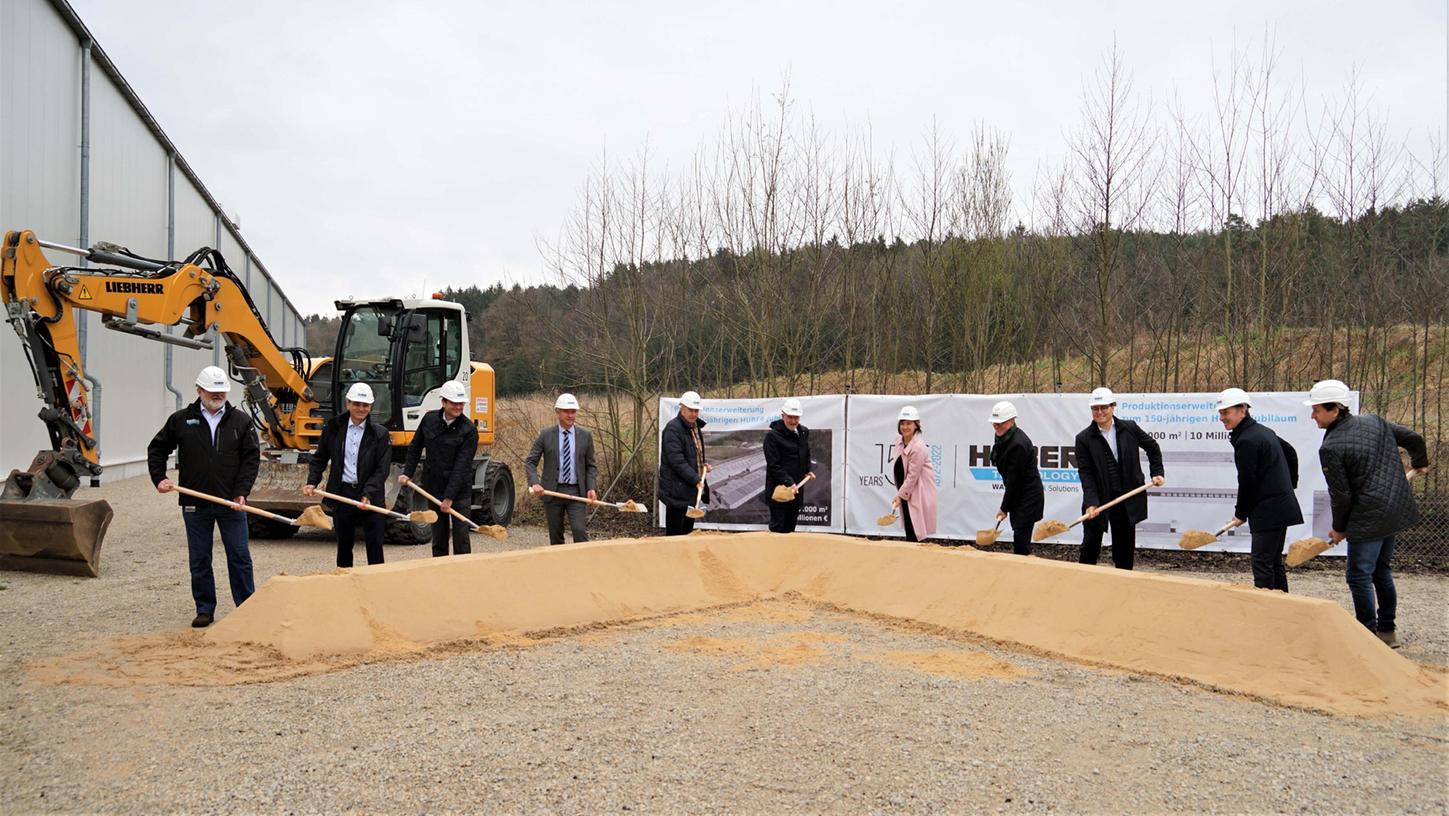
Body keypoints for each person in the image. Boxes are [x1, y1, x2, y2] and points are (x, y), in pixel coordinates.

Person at [1307, 379, 1430, 648]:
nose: (1312, 415)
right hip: (1394, 508)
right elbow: (1413, 438)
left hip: (1369, 515)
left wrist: (1338, 528)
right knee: (1381, 571)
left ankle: (1366, 637)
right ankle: (1387, 631)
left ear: (1335, 410)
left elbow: (1341, 496)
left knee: (1359, 575)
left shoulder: (1331, 448)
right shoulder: (1375, 421)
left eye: (1316, 410)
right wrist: (1420, 462)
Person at [147, 365, 259, 628]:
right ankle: (205, 609)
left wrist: (242, 493)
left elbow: (251, 459)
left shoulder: (241, 421)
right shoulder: (181, 420)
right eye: (212, 390)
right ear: (199, 390)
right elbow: (157, 448)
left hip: (231, 504)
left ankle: (248, 608)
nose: (218, 395)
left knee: (240, 556)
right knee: (199, 558)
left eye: (222, 391)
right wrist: (159, 478)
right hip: (194, 504)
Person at [1218, 388, 1302, 592]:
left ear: (1242, 410)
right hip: (1280, 506)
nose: (1222, 418)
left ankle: (1267, 612)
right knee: (1273, 562)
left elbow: (1247, 481)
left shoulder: (1247, 440)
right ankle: (1284, 608)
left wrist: (1241, 513)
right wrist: (1288, 486)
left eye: (1226, 412)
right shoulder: (1262, 431)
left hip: (1268, 510)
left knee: (1262, 563)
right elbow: (1290, 451)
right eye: (1220, 413)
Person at [1074, 387, 1165, 570]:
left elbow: (1152, 447)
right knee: (1090, 544)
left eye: (1104, 408)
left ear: (1113, 407)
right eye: (1095, 408)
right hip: (1099, 498)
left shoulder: (1129, 428)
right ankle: (1084, 580)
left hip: (1127, 497)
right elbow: (1086, 473)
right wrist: (1091, 502)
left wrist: (1157, 471)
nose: (1099, 412)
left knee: (1124, 547)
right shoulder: (1084, 438)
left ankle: (1124, 582)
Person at [304, 382, 391, 568]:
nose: (361, 409)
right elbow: (320, 458)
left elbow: (382, 469)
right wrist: (312, 481)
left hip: (371, 495)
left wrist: (368, 494)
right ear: (348, 403)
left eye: (365, 405)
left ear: (371, 407)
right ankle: (344, 584)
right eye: (357, 404)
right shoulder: (334, 428)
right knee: (344, 546)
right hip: (342, 493)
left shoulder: (380, 434)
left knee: (375, 546)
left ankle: (376, 586)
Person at [400, 380, 478, 557]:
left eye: (461, 403)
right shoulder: (429, 420)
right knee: (439, 536)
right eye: (454, 403)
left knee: (461, 536)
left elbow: (462, 466)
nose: (458, 407)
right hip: (434, 487)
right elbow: (415, 447)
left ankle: (463, 574)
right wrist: (407, 473)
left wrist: (449, 497)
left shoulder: (469, 430)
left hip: (458, 493)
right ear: (443, 402)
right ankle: (440, 571)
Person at [525, 393, 598, 545]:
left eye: (573, 411)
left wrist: (591, 487)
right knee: (556, 535)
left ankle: (583, 563)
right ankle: (559, 567)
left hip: (576, 492)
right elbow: (531, 462)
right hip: (552, 491)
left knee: (579, 531)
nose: (570, 415)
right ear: (558, 412)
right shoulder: (546, 435)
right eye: (566, 411)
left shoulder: (585, 436)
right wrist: (534, 483)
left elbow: (591, 465)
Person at [989, 401, 1044, 556]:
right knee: (1019, 531)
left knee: (1021, 535)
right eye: (994, 422)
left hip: (1028, 496)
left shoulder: (1018, 444)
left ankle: (1023, 569)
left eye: (1001, 422)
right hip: (1019, 495)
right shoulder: (1003, 437)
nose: (996, 426)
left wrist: (1004, 508)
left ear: (1012, 420)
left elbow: (1015, 482)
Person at [658, 390, 711, 536]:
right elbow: (677, 460)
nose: (694, 414)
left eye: (696, 410)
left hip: (690, 490)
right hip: (676, 491)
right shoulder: (673, 429)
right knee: (675, 537)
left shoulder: (695, 427)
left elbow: (694, 453)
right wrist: (696, 479)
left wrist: (703, 464)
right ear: (682, 408)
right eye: (690, 410)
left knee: (687, 534)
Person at [762, 397, 812, 534]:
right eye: (790, 417)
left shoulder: (803, 432)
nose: (793, 421)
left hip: (796, 491)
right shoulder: (772, 437)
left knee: (790, 528)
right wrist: (789, 482)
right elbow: (773, 465)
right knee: (779, 529)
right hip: (780, 491)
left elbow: (806, 453)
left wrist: (808, 470)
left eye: (796, 417)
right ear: (782, 415)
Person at [890, 405, 937, 542]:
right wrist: (901, 494)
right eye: (902, 423)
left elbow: (912, 477)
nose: (905, 427)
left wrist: (900, 496)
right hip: (906, 491)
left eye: (909, 423)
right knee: (910, 528)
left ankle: (917, 559)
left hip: (917, 492)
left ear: (916, 425)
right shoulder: (898, 441)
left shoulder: (919, 447)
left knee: (915, 530)